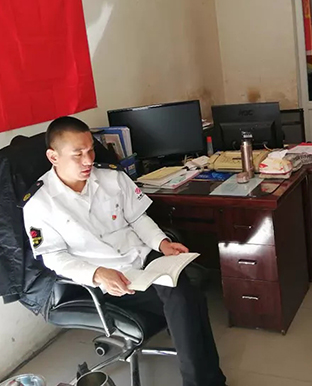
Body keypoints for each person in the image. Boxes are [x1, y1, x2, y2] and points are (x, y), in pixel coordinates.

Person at [22, 116, 227, 386]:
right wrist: (97, 273)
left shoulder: (111, 177)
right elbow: (53, 257)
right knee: (186, 300)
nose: (88, 160)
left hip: (144, 258)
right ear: (53, 156)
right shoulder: (40, 204)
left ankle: (205, 381)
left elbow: (138, 218)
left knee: (185, 297)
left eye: (90, 150)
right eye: (78, 154)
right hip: (111, 278)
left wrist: (162, 244)